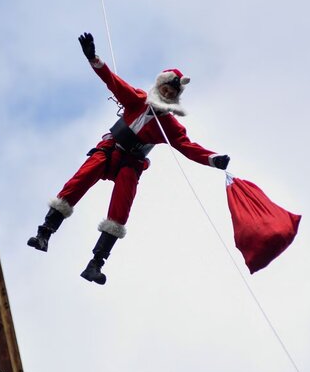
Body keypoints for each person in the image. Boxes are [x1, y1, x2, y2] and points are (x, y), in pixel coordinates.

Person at [27, 32, 230, 285]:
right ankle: (45, 232)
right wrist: (93, 57)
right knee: (80, 180)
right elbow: (112, 81)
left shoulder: (169, 125)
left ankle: (96, 263)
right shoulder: (136, 99)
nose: (166, 95)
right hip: (110, 150)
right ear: (158, 87)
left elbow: (187, 147)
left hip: (131, 164)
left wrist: (214, 159)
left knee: (120, 209)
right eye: (164, 89)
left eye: (171, 94)